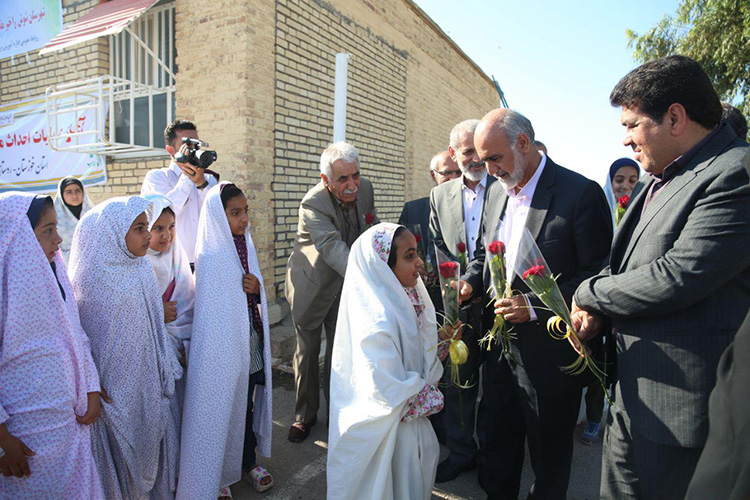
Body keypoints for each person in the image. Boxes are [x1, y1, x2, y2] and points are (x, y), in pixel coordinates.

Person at [572, 55, 750, 500]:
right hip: (631, 398)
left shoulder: (735, 172)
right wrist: (599, 313)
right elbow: (625, 265)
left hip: (682, 416)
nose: (625, 138)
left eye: (632, 124)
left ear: (674, 117)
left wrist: (589, 292)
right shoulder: (658, 178)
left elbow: (678, 275)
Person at [459, 108, 612, 499]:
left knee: (548, 461)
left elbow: (598, 276)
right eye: (483, 161)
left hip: (551, 357)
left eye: (495, 158)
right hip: (498, 351)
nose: (489, 170)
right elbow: (485, 253)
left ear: (523, 143)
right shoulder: (496, 190)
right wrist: (469, 283)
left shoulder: (580, 194)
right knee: (497, 448)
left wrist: (535, 307)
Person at [327, 223, 457, 500]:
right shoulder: (375, 322)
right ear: (384, 268)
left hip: (412, 430)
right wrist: (429, 395)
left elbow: (416, 356)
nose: (420, 262)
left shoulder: (407, 299)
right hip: (389, 437)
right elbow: (384, 387)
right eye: (409, 256)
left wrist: (441, 342)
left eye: (417, 253)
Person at [70, 196, 182, 500]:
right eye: (139, 228)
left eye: (146, 227)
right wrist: (91, 383)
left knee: (151, 441)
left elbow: (154, 325)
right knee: (122, 454)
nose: (147, 235)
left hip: (146, 378)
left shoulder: (141, 268)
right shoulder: (90, 280)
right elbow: (83, 341)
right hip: (112, 390)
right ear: (113, 233)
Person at [0, 193, 103, 499]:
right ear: (16, 237)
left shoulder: (56, 276)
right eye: (48, 230)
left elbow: (76, 335)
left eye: (57, 228)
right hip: (23, 437)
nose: (58, 240)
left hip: (67, 426)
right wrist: (3, 440)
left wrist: (91, 388)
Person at [177, 183, 273, 499]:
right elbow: (211, 310)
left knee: (246, 406)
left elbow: (252, 290)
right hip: (222, 351)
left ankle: (247, 463)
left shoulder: (246, 244)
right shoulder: (211, 254)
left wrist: (256, 288)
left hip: (249, 342)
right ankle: (217, 474)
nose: (244, 219)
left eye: (246, 211)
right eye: (235, 213)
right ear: (219, 216)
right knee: (221, 410)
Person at [285, 142, 378, 443]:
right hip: (311, 287)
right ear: (325, 179)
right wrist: (368, 276)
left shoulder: (366, 189)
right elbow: (331, 247)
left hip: (346, 286)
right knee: (308, 353)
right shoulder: (312, 204)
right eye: (343, 179)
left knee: (341, 353)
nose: (352, 185)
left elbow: (372, 230)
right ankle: (304, 416)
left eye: (356, 175)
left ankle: (338, 412)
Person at [429, 119, 496, 482]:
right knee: (457, 384)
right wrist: (454, 287)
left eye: (480, 151)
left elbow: (497, 246)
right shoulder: (440, 196)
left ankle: (492, 453)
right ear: (453, 153)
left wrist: (471, 280)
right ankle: (461, 452)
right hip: (459, 307)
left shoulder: (504, 188)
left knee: (497, 387)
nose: (476, 159)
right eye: (468, 151)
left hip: (499, 305)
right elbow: (439, 246)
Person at [141, 119, 219, 267]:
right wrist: (187, 177)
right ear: (171, 150)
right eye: (188, 145)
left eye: (196, 144)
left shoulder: (209, 179)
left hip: (206, 262)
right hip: (172, 265)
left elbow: (217, 215)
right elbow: (163, 212)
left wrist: (201, 184)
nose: (194, 150)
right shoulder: (157, 177)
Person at [144, 194, 195, 400]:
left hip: (184, 348)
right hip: (150, 355)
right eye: (158, 228)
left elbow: (188, 304)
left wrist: (187, 345)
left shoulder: (178, 257)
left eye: (171, 227)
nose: (167, 235)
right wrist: (158, 312)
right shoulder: (137, 265)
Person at [398, 151, 459, 314]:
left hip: (457, 296)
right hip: (420, 295)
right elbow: (398, 253)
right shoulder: (412, 209)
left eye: (458, 172)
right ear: (433, 175)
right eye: (447, 172)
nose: (454, 178)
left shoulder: (469, 210)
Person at [54, 176, 94, 266]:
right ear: (61, 195)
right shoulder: (54, 218)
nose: (75, 196)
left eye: (78, 191)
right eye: (69, 192)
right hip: (65, 265)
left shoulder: (94, 214)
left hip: (94, 264)